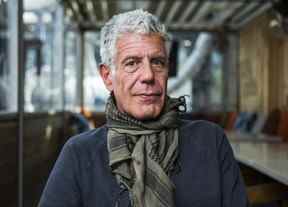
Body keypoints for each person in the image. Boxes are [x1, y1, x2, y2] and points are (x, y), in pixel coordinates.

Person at [39, 9, 249, 207]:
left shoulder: (210, 141)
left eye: (157, 62)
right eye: (132, 63)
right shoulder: (80, 154)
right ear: (107, 77)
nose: (148, 75)